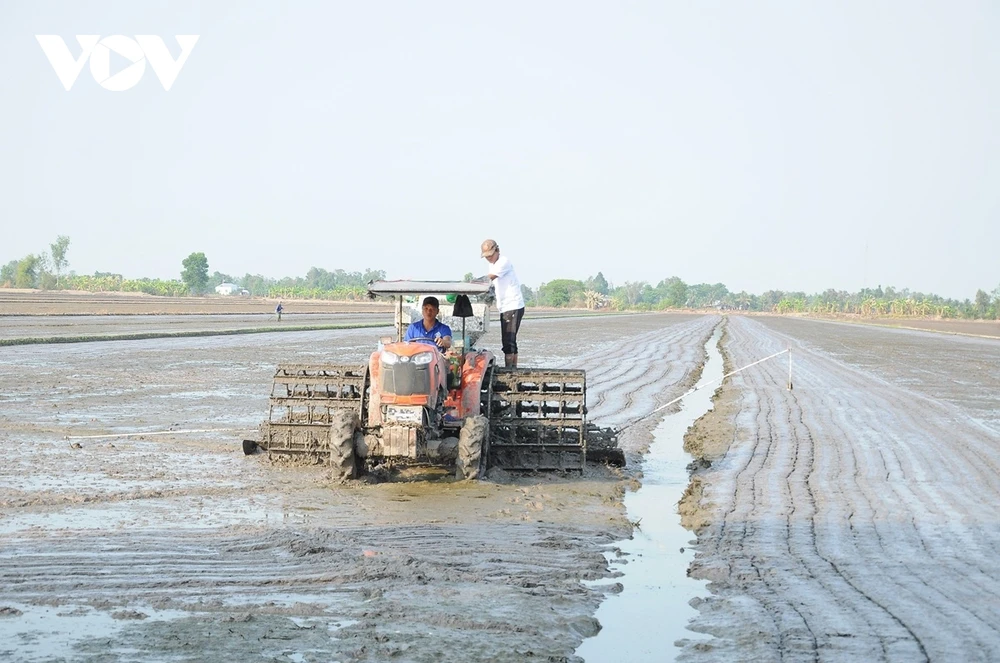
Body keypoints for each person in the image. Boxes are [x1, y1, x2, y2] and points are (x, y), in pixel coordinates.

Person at [481, 239, 525, 368]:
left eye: (490, 255)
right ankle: (513, 369)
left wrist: (471, 283)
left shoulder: (503, 262)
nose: (488, 258)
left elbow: (489, 278)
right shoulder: (493, 264)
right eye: (486, 257)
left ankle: (509, 371)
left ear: (497, 250)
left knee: (508, 341)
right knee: (510, 341)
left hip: (512, 305)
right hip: (505, 306)